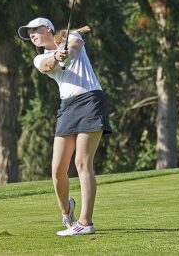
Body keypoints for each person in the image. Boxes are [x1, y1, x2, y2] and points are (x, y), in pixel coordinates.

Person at [18, 17, 112, 236]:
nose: (32, 35)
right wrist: (57, 57)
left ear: (48, 29)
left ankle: (85, 222)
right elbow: (48, 65)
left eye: (35, 30)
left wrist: (65, 50)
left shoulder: (72, 37)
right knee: (58, 170)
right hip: (68, 106)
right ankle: (67, 210)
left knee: (82, 162)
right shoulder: (39, 58)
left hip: (90, 99)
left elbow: (75, 47)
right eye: (29, 33)